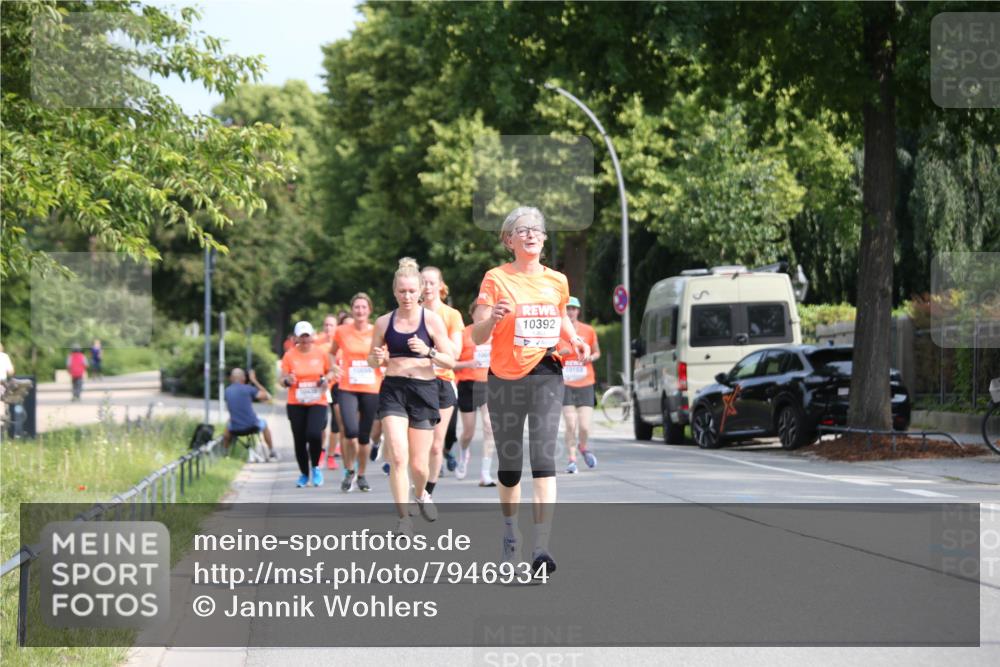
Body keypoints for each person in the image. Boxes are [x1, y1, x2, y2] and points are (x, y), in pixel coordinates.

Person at [472, 206, 589, 577]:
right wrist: (493, 318)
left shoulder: (557, 280)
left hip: (546, 371)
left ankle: (541, 547)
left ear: (543, 238)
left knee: (543, 455)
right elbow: (476, 334)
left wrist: (574, 340)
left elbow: (556, 317)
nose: (530, 234)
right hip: (504, 377)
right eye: (521, 230)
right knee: (510, 465)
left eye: (536, 229)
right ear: (509, 240)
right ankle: (511, 533)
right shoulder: (495, 279)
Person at [371, 258, 455, 537]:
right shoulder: (383, 322)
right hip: (393, 388)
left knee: (419, 465)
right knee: (397, 455)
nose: (407, 297)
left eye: (411, 291)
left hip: (423, 390)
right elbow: (372, 359)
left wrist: (428, 351)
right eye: (402, 291)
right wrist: (378, 357)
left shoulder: (431, 321)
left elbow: (450, 361)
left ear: (420, 291)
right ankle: (403, 518)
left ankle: (421, 494)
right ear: (394, 291)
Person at [330, 294, 382, 493]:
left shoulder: (378, 330)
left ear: (369, 310)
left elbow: (384, 355)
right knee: (350, 432)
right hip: (348, 388)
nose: (360, 311)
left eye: (363, 307)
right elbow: (331, 352)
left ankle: (361, 474)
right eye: (356, 307)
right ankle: (349, 470)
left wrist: (382, 360)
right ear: (352, 310)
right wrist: (333, 366)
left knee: (363, 437)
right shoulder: (342, 331)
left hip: (370, 388)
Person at [420, 266, 464, 495]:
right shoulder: (412, 315)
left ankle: (427, 492)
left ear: (440, 286)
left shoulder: (451, 315)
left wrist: (431, 350)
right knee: (419, 444)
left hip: (443, 381)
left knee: (437, 445)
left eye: (431, 282)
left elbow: (455, 353)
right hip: (417, 381)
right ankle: (417, 486)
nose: (427, 287)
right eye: (423, 282)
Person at [281, 321, 333, 488]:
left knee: (314, 434)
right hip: (296, 402)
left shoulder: (321, 353)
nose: (305, 340)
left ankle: (316, 467)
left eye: (307, 336)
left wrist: (326, 380)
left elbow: (331, 371)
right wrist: (288, 380)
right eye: (301, 337)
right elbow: (282, 380)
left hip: (317, 401)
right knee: (299, 439)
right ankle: (304, 473)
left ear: (312, 336)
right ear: (296, 338)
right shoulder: (289, 355)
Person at [453, 303, 496, 486]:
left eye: (487, 315)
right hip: (467, 384)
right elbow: (452, 362)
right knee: (468, 432)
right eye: (480, 315)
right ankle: (463, 454)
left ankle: (485, 473)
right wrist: (468, 363)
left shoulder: (498, 333)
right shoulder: (463, 333)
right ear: (472, 315)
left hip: (490, 383)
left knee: (489, 426)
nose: (484, 318)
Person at [560, 296, 601, 473]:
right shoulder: (559, 331)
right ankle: (571, 459)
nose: (571, 312)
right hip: (566, 383)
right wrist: (565, 351)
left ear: (578, 311)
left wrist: (590, 357)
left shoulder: (588, 330)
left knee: (584, 425)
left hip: (586, 382)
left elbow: (597, 352)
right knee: (570, 423)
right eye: (568, 308)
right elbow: (554, 352)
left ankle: (583, 447)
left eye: (573, 309)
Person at [223, 368, 277, 460]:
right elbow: (268, 396)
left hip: (235, 428)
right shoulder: (249, 389)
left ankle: (225, 453)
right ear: (243, 378)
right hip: (252, 426)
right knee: (264, 423)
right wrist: (254, 380)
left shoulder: (227, 391)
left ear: (231, 378)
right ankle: (271, 451)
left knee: (227, 426)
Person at [314, 314, 340, 471]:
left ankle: (331, 455)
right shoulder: (318, 346)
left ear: (336, 327)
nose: (328, 328)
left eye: (331, 325)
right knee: (321, 424)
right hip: (323, 387)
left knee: (336, 424)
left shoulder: (341, 345)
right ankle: (322, 451)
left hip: (338, 387)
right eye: (326, 325)